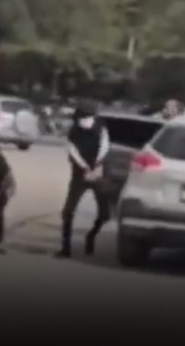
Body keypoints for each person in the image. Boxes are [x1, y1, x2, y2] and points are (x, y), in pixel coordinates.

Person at [56, 102, 111, 258]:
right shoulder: (74, 131)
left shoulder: (101, 128)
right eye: (79, 118)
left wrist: (96, 165)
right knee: (68, 212)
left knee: (105, 214)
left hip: (99, 174)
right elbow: (72, 150)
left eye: (84, 117)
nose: (81, 121)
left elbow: (104, 147)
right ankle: (65, 248)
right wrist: (84, 167)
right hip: (79, 175)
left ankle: (91, 236)